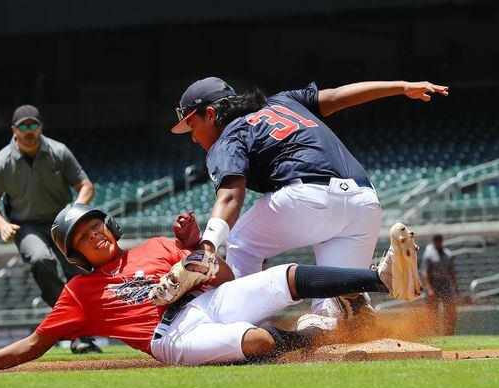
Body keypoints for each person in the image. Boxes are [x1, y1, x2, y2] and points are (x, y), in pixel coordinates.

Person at [0, 204, 421, 375]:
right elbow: (34, 344)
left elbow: (225, 278)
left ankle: (380, 279)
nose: (96, 234)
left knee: (286, 276)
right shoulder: (79, 292)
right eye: (83, 236)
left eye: (97, 225)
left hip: (205, 299)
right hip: (171, 339)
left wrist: (194, 254)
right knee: (260, 342)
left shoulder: (159, 246)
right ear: (75, 254)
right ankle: (323, 342)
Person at [169, 77, 448, 320]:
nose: (192, 137)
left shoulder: (228, 136)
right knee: (330, 310)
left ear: (210, 113)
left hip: (308, 199)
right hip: (364, 202)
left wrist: (207, 246)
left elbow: (230, 196)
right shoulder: (283, 101)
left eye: (191, 125)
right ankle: (377, 284)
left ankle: (242, 324)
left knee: (240, 241)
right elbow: (337, 96)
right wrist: (402, 87)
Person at [0, 105, 99, 353]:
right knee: (40, 259)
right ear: (14, 130)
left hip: (62, 222)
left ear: (41, 126)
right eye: (23, 126)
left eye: (33, 124)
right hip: (26, 226)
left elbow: (85, 186)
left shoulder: (59, 151)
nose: (28, 130)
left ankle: (80, 334)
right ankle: (74, 325)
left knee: (78, 272)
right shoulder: (1, 162)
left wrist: (76, 210)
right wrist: (1, 224)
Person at [421, 234, 459, 335]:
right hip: (434, 284)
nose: (438, 242)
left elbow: (452, 271)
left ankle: (449, 331)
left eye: (440, 240)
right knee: (433, 309)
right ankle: (434, 331)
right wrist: (429, 288)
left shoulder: (448, 254)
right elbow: (425, 273)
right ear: (434, 241)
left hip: (445, 283)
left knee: (450, 307)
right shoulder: (429, 254)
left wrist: (455, 286)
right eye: (436, 241)